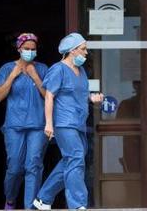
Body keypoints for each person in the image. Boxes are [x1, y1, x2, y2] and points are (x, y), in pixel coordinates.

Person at [32, 33, 104, 211]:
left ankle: (42, 199)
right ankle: (77, 204)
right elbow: (49, 96)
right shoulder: (58, 69)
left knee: (69, 160)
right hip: (64, 123)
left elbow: (77, 94)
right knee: (76, 158)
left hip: (79, 124)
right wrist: (49, 123)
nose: (86, 53)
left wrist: (92, 98)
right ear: (72, 51)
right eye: (83, 49)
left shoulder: (81, 72)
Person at [0, 32, 49, 210]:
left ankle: (30, 207)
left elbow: (49, 96)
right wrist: (13, 75)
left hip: (38, 125)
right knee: (15, 167)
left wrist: (35, 77)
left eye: (33, 49)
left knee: (33, 165)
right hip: (14, 126)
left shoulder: (42, 69)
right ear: (19, 48)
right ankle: (10, 199)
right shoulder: (6, 68)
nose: (30, 52)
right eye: (26, 49)